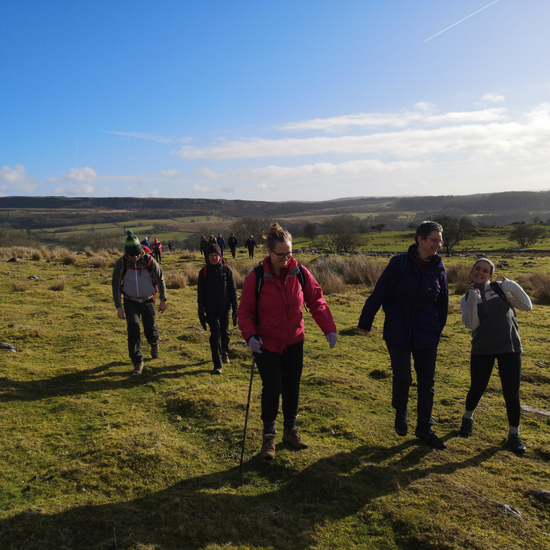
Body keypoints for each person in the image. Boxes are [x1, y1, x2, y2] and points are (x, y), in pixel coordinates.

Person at [238, 223, 338, 460]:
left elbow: (316, 300)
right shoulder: (257, 277)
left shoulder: (300, 273)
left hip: (294, 340)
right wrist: (250, 336)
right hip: (266, 344)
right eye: (280, 254)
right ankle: (268, 438)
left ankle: (290, 431)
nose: (285, 259)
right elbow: (245, 312)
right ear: (269, 252)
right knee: (272, 388)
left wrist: (329, 328)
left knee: (292, 386)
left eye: (289, 253)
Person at [357, 221, 448, 449]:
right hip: (398, 327)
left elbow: (443, 303)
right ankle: (400, 412)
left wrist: (438, 330)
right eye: (434, 240)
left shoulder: (439, 267)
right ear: (421, 240)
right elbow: (380, 292)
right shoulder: (399, 263)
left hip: (427, 331)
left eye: (440, 240)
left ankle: (424, 428)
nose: (439, 244)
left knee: (427, 382)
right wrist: (365, 321)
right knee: (404, 377)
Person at [459, 258, 532, 454]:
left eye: (485, 271)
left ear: (490, 275)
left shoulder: (501, 289)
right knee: (477, 388)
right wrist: (474, 300)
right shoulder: (465, 298)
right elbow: (472, 325)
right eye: (477, 269)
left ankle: (514, 435)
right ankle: (467, 418)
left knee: (511, 393)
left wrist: (513, 286)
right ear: (472, 271)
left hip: (509, 347)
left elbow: (527, 306)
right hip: (482, 349)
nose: (480, 273)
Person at [112, 230, 167, 375]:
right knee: (133, 330)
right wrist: (119, 307)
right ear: (126, 253)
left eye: (137, 254)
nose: (135, 257)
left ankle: (154, 344)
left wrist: (163, 300)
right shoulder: (121, 264)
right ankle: (138, 362)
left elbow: (160, 279)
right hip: (130, 302)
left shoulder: (149, 260)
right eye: (132, 255)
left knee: (150, 329)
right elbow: (116, 285)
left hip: (148, 300)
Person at [197, 243, 238, 374]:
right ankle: (217, 364)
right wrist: (200, 311)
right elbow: (200, 293)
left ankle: (225, 352)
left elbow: (233, 290)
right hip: (210, 310)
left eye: (216, 255)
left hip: (225, 308)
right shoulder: (203, 272)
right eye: (211, 255)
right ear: (207, 257)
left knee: (225, 332)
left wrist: (235, 309)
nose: (214, 258)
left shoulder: (227, 270)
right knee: (215, 335)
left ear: (220, 256)